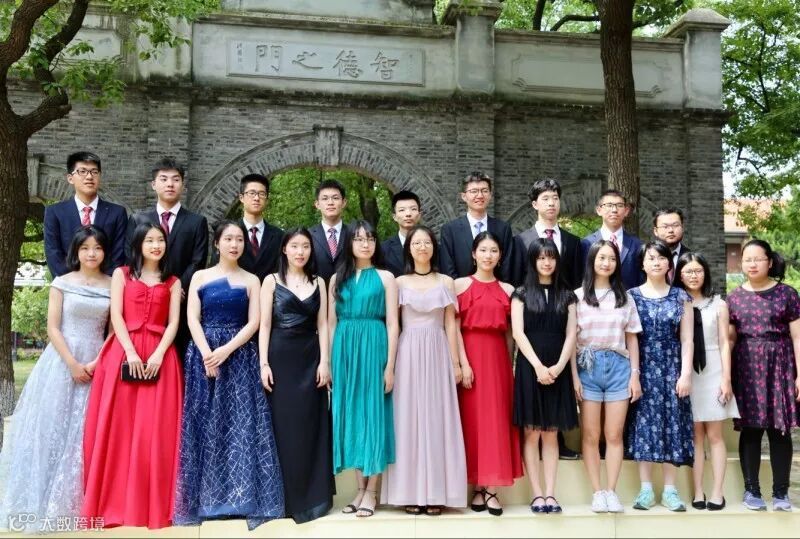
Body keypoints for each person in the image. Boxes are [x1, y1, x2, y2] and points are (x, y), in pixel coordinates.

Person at [0, 227, 111, 534]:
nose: (91, 253)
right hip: (61, 361)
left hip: (97, 359)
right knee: (51, 428)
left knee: (84, 432)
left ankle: (81, 503)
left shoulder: (113, 284)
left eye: (97, 248)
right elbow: (53, 328)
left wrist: (95, 362)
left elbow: (114, 331)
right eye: (85, 248)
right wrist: (73, 363)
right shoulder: (61, 282)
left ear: (105, 252)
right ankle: (41, 502)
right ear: (76, 251)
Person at [174, 221, 284, 529]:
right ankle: (205, 500)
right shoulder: (200, 276)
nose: (234, 244)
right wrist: (207, 352)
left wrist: (226, 350)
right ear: (217, 243)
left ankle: (238, 497)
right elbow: (192, 318)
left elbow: (254, 322)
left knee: (238, 424)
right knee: (203, 423)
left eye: (239, 240)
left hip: (239, 357)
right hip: (203, 357)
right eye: (228, 239)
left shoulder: (252, 279)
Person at [82, 222, 184, 529]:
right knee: (120, 428)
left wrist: (158, 354)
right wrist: (129, 351)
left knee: (156, 431)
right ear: (139, 244)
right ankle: (114, 503)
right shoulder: (121, 274)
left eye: (160, 240)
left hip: (160, 358)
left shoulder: (173, 281)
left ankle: (151, 505)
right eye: (149, 240)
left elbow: (173, 323)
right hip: (123, 355)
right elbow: (116, 315)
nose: (156, 245)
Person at [381, 225, 467, 516]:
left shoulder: (446, 281)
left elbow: (451, 324)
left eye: (426, 242)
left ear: (433, 247)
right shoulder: (398, 282)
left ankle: (437, 493)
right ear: (409, 249)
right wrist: (390, 364)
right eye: (416, 243)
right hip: (408, 352)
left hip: (438, 350)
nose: (421, 247)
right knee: (407, 419)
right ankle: (410, 492)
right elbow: (393, 324)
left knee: (437, 418)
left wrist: (456, 363)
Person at [259, 228, 334, 524]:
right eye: (294, 246)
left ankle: (312, 497)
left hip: (311, 357)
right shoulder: (270, 281)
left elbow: (323, 324)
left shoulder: (319, 281)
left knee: (310, 425)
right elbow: (265, 325)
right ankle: (283, 498)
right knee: (283, 427)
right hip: (280, 357)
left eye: (305, 246)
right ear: (284, 250)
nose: (300, 251)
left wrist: (325, 361)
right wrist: (263, 364)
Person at [329, 220, 399, 518]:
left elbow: (393, 323)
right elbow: (331, 324)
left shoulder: (386, 277)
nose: (365, 244)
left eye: (370, 238)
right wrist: (331, 363)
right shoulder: (336, 279)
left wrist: (390, 365)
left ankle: (373, 491)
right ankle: (360, 489)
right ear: (349, 243)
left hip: (374, 347)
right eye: (358, 239)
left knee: (374, 415)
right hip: (345, 351)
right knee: (353, 417)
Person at [512, 177, 583, 460]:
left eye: (555, 198)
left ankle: (559, 441)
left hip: (561, 316)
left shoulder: (574, 243)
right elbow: (517, 278)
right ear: (534, 204)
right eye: (545, 198)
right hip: (532, 318)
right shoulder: (521, 241)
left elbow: (576, 282)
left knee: (556, 397)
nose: (551, 203)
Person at [727, 239, 800, 512]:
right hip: (746, 367)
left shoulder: (787, 294)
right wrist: (726, 377)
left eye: (758, 259)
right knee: (751, 429)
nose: (752, 264)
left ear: (769, 262)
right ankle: (752, 490)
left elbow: (797, 337)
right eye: (747, 259)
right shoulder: (733, 298)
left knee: (779, 430)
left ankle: (781, 493)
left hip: (780, 365)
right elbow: (729, 340)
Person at [572, 239, 642, 514]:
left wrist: (635, 376)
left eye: (612, 259)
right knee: (591, 435)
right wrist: (574, 378)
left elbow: (632, 339)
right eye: (601, 257)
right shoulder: (577, 297)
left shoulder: (625, 298)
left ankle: (612, 491)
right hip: (587, 365)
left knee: (614, 434)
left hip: (618, 366)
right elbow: (570, 342)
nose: (606, 263)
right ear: (591, 261)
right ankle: (597, 492)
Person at [455, 231, 522, 517]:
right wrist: (462, 363)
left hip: (497, 361)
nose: (488, 255)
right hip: (468, 356)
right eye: (483, 250)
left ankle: (491, 489)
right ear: (473, 254)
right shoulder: (459, 285)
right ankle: (476, 485)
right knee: (472, 422)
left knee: (495, 422)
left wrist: (510, 365)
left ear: (500, 256)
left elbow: (510, 334)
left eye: (493, 251)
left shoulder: (508, 289)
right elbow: (453, 328)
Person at [511, 238, 578, 514]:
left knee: (551, 434)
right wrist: (538, 367)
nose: (546, 262)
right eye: (541, 258)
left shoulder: (568, 295)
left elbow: (572, 334)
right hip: (531, 368)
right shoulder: (521, 294)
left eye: (551, 257)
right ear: (533, 261)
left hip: (558, 368)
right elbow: (518, 333)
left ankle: (551, 494)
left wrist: (559, 366)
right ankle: (536, 494)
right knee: (532, 433)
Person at [627, 240, 694, 512]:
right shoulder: (631, 296)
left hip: (672, 366)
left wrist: (685, 374)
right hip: (642, 365)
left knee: (672, 424)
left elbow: (687, 339)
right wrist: (634, 375)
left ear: (669, 264)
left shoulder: (681, 297)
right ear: (642, 264)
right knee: (643, 425)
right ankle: (645, 490)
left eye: (661, 258)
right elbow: (631, 337)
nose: (656, 262)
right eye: (650, 258)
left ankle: (670, 490)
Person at [675, 252, 739, 511]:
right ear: (679, 275)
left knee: (714, 434)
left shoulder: (719, 304)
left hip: (713, 369)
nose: (694, 276)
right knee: (695, 435)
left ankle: (717, 492)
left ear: (705, 273)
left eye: (698, 270)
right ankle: (698, 491)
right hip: (687, 371)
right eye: (688, 271)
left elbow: (724, 342)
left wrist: (726, 378)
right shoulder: (677, 302)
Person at [126, 158, 208, 354]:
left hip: (181, 301)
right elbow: (131, 255)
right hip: (145, 301)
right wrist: (153, 287)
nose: (170, 184)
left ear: (183, 185)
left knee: (176, 356)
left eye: (175, 179)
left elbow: (198, 261)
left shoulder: (197, 222)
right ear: (153, 184)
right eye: (163, 179)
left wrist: (174, 289)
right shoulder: (138, 220)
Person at [44, 151, 127, 277]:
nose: (89, 177)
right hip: (68, 285)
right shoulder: (55, 212)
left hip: (106, 285)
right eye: (82, 171)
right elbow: (53, 254)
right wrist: (73, 282)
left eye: (94, 172)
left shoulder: (117, 213)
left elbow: (119, 255)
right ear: (70, 178)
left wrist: (103, 282)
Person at [440, 172, 514, 283]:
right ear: (464, 196)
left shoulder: (503, 229)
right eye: (474, 191)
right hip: (460, 290)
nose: (480, 196)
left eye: (484, 191)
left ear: (490, 195)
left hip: (495, 290)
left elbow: (507, 267)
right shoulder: (450, 230)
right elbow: (447, 267)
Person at [209, 174, 283, 282]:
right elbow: (215, 267)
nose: (256, 198)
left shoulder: (279, 236)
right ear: (241, 198)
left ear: (267, 199)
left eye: (261, 194)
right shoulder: (227, 232)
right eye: (252, 193)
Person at [581, 190, 643, 290]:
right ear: (599, 210)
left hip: (628, 298)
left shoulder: (637, 245)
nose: (614, 210)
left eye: (619, 205)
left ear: (626, 211)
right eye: (609, 205)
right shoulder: (586, 244)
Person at [309, 179, 349, 282]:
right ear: (317, 204)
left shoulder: (354, 234)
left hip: (350, 290)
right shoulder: (308, 236)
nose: (330, 203)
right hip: (316, 290)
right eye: (325, 198)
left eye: (335, 198)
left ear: (344, 202)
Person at [381, 190, 424, 277]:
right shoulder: (383, 249)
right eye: (402, 210)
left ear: (419, 215)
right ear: (394, 217)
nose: (408, 214)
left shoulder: (432, 246)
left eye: (413, 209)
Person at [653, 208, 691, 284]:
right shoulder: (645, 257)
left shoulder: (691, 258)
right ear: (655, 231)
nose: (670, 230)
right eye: (665, 226)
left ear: (682, 228)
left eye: (675, 225)